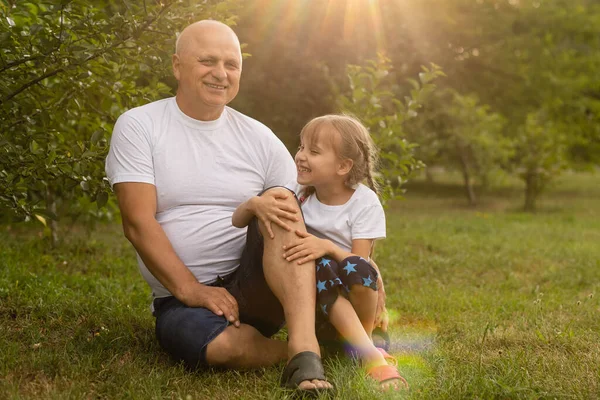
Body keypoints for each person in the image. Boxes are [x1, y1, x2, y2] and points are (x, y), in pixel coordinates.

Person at [105, 20, 333, 395]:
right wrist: (192, 290)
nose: (220, 74)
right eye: (207, 61)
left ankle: (305, 349)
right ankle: (292, 351)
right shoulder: (140, 125)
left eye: (231, 64)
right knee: (219, 347)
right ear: (177, 66)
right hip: (181, 299)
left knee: (279, 201)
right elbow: (137, 221)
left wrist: (362, 256)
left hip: (258, 284)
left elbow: (316, 208)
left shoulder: (259, 137)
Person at [282, 114, 408, 390]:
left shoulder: (364, 202)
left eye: (313, 151)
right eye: (301, 147)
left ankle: (363, 344)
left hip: (359, 305)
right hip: (317, 308)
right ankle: (369, 355)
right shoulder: (299, 196)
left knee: (356, 267)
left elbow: (360, 264)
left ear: (343, 166)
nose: (301, 156)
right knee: (320, 265)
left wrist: (326, 246)